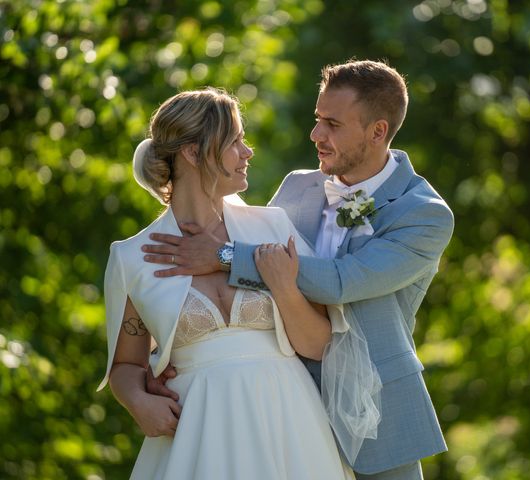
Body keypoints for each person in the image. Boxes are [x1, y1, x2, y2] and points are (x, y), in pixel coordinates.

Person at [144, 60, 455, 479]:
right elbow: (255, 287)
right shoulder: (297, 186)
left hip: (374, 413)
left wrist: (225, 257)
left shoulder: (425, 215)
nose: (316, 135)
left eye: (332, 124)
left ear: (377, 131)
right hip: (282, 405)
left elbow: (341, 281)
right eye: (316, 119)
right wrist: (167, 362)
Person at [98, 87, 359, 479]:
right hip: (195, 432)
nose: (247, 152)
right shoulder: (134, 257)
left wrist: (282, 286)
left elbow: (320, 344)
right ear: (193, 152)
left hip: (288, 423)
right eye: (235, 140)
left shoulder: (273, 228)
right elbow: (125, 364)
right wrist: (138, 400)